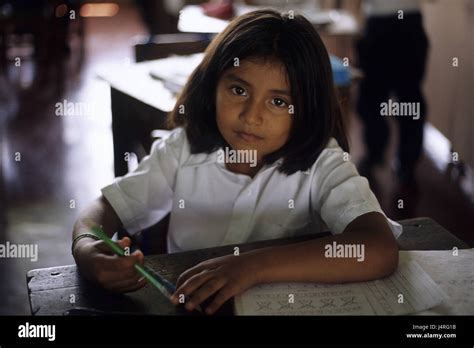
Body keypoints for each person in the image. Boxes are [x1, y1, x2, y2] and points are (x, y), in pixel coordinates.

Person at [72, 9, 401, 315]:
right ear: (212, 85)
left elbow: (379, 248)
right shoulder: (184, 149)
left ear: (308, 109)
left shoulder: (322, 163)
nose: (251, 116)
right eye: (239, 90)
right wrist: (86, 247)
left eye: (277, 101)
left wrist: (252, 266)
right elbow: (102, 210)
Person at [356, 0, 429, 189]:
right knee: (407, 98)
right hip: (408, 24)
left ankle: (376, 157)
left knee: (373, 98)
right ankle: (404, 164)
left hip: (381, 23)